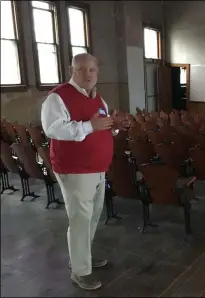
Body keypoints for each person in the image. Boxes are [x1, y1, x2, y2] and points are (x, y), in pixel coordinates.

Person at [41, 53, 129, 290]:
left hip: (97, 168)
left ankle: (83, 257)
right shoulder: (57, 97)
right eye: (81, 69)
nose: (87, 74)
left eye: (92, 70)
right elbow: (53, 129)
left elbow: (101, 128)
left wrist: (115, 127)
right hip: (75, 169)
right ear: (72, 70)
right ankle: (80, 271)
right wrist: (90, 125)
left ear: (97, 72)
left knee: (92, 216)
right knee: (81, 219)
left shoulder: (99, 99)